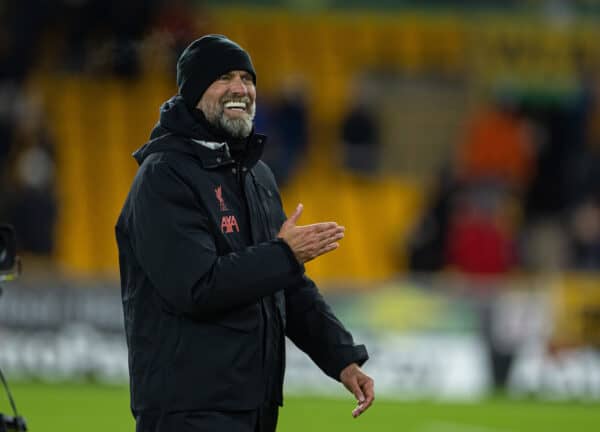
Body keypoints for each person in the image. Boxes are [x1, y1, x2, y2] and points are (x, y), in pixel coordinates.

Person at [115, 34, 374, 432]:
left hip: (254, 407)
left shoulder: (257, 175)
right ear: (195, 91)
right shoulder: (164, 175)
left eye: (246, 78)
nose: (240, 88)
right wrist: (285, 255)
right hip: (187, 409)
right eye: (223, 78)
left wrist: (342, 358)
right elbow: (197, 286)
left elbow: (286, 286)